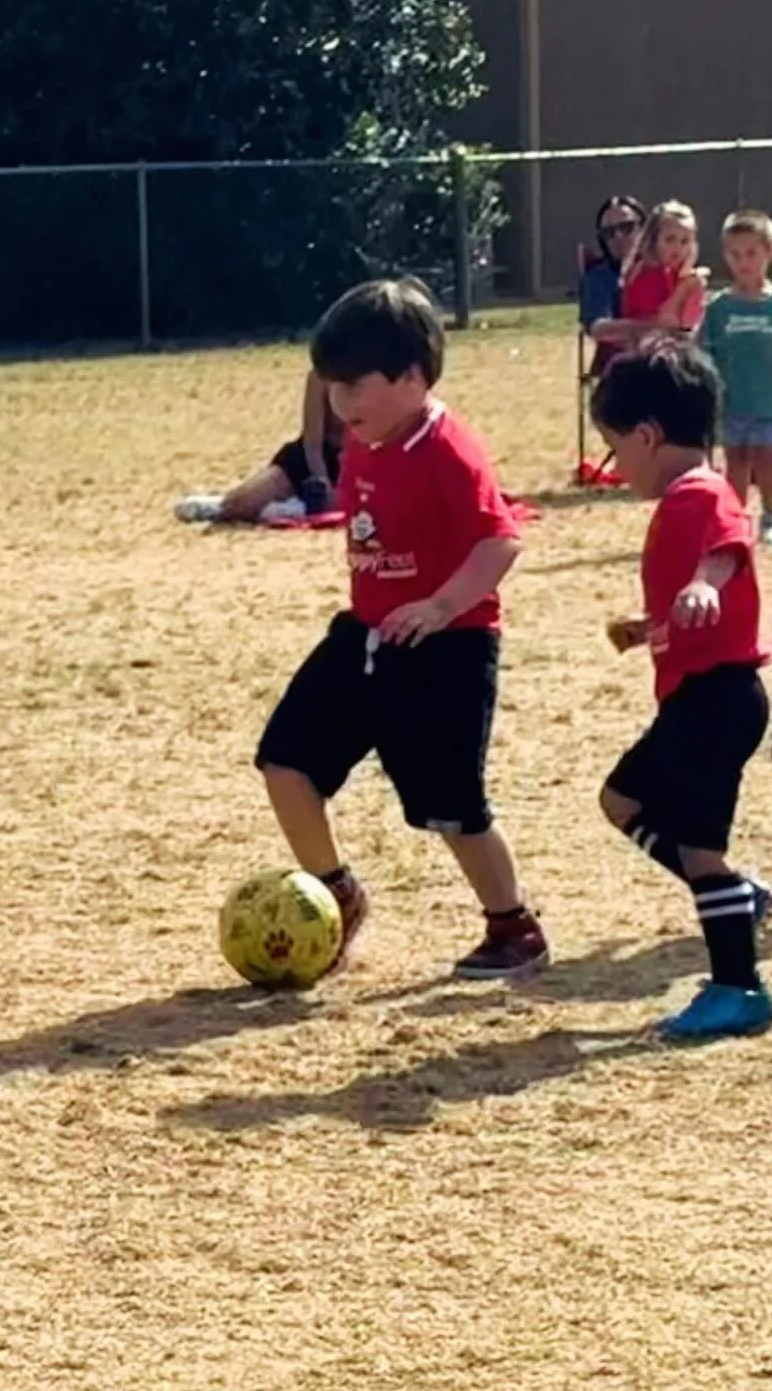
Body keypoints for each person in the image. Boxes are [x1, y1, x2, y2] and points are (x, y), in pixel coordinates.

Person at [254, 278, 544, 980]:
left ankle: (514, 928)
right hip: (367, 637)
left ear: (414, 379)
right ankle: (338, 893)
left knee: (451, 807)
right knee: (285, 762)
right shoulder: (365, 440)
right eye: (333, 387)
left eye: (358, 386)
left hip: (448, 649)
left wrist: (441, 607)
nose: (342, 404)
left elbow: (499, 542)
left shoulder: (448, 447)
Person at [593, 339, 772, 1040]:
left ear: (646, 435)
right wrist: (653, 626)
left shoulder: (699, 491)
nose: (617, 468)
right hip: (707, 696)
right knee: (621, 802)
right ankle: (734, 899)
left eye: (615, 451)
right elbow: (698, 588)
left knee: (694, 846)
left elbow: (730, 545)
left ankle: (740, 987)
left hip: (716, 699)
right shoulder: (684, 497)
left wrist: (704, 583)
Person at [699, 210, 772, 545]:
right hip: (732, 401)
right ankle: (735, 517)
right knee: (736, 462)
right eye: (735, 254)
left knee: (766, 459)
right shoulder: (718, 308)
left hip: (768, 399)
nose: (743, 262)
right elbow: (704, 352)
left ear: (769, 253)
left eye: (751, 253)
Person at [175, 368, 344, 522]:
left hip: (356, 460)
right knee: (239, 505)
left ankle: (294, 508)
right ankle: (223, 503)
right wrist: (322, 482)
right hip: (314, 458)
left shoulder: (370, 375)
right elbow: (312, 442)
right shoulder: (320, 376)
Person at [580, 194, 651, 367]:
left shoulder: (667, 269)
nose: (618, 237)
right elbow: (599, 329)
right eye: (609, 233)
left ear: (645, 229)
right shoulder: (599, 277)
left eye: (627, 228)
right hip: (620, 369)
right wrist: (657, 328)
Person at [621, 201, 710, 333]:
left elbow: (689, 323)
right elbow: (665, 322)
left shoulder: (678, 273)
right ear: (654, 240)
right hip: (643, 343)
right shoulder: (646, 273)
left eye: (685, 241)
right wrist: (683, 289)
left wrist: (696, 289)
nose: (677, 248)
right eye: (669, 239)